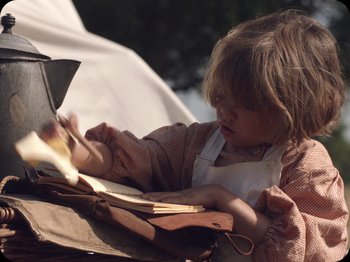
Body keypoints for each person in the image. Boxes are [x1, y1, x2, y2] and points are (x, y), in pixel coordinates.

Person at [41, 8, 349, 261]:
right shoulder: (198, 143)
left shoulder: (306, 167)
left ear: (291, 109)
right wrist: (78, 153)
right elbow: (142, 158)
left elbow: (310, 251)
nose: (224, 111)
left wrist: (220, 199)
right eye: (221, 96)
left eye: (245, 104)